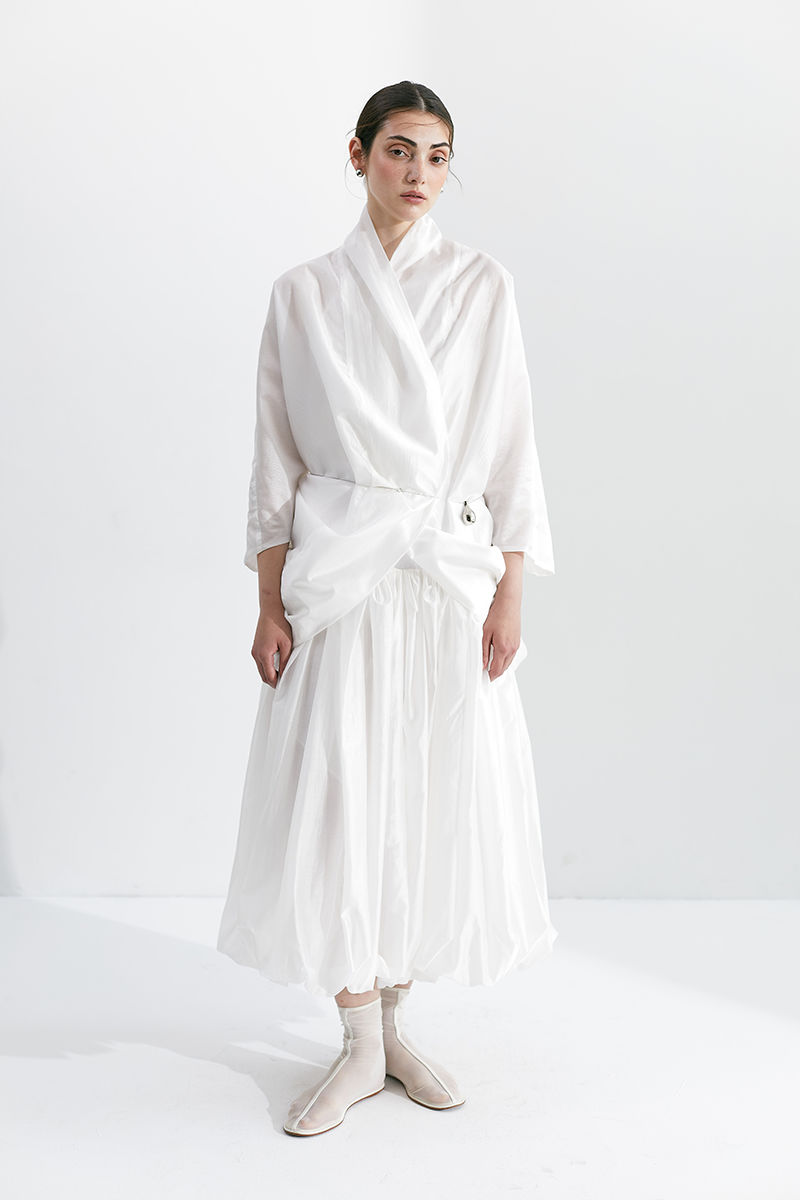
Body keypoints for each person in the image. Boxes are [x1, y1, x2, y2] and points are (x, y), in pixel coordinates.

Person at [216, 80, 558, 1137]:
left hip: (445, 575)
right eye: (400, 149)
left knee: (425, 789)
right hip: (344, 574)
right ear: (358, 153)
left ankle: (396, 1028)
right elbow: (276, 456)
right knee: (343, 795)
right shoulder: (305, 294)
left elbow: (510, 440)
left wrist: (509, 586)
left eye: (437, 155)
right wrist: (270, 601)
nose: (418, 172)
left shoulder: (482, 285)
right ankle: (356, 1038)